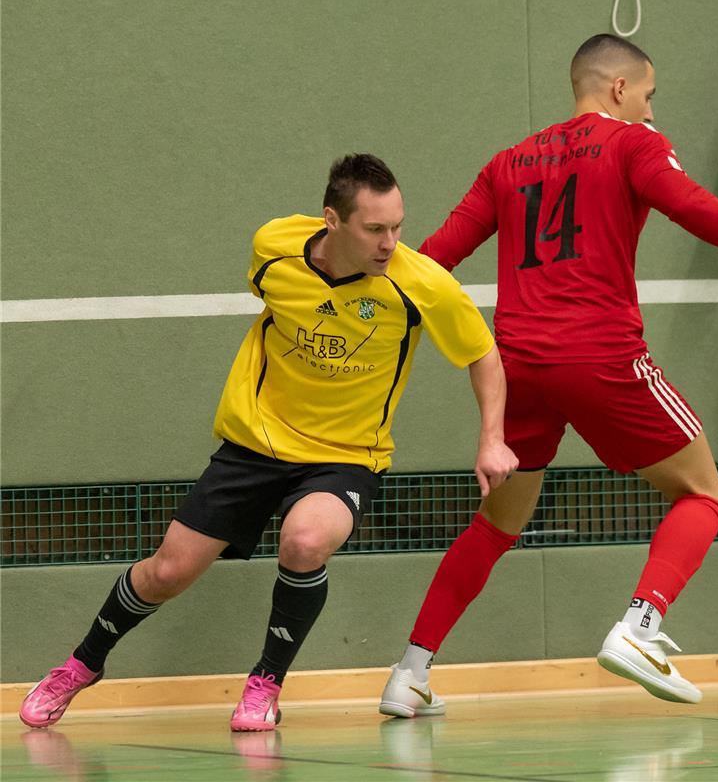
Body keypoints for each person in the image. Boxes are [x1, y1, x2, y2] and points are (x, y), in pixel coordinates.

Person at [378, 33, 718, 717]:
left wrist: (369, 300)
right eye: (647, 94)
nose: (649, 108)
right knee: (702, 494)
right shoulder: (633, 145)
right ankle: (638, 628)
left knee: (497, 524)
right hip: (603, 358)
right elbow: (692, 206)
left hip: (519, 365)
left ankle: (409, 672)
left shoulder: (509, 162)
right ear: (618, 89)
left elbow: (433, 262)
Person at [19, 153, 518, 731]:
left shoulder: (422, 284)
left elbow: (483, 354)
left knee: (304, 542)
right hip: (254, 445)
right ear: (332, 220)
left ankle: (265, 684)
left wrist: (491, 438)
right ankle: (81, 666)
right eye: (375, 229)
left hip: (346, 457)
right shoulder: (275, 249)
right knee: (166, 572)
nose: (390, 243)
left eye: (397, 226)